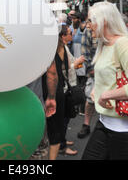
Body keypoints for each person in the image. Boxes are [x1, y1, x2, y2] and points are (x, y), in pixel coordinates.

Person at [81, 2, 128, 160]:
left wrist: (105, 95)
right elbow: (109, 76)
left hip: (125, 132)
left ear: (104, 21)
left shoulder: (123, 43)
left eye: (90, 20)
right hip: (105, 123)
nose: (87, 25)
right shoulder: (103, 45)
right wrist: (97, 90)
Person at [42, 25, 84, 160]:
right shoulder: (56, 50)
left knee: (56, 126)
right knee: (56, 127)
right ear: (61, 36)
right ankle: (59, 146)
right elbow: (54, 73)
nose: (72, 35)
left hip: (56, 92)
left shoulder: (55, 49)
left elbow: (55, 72)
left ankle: (61, 144)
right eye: (69, 33)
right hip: (56, 91)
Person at [77, 16, 97, 139]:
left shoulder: (108, 30)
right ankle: (86, 125)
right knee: (90, 98)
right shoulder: (88, 31)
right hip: (94, 71)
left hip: (110, 72)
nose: (88, 23)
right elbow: (85, 52)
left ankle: (105, 125)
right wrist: (91, 69)